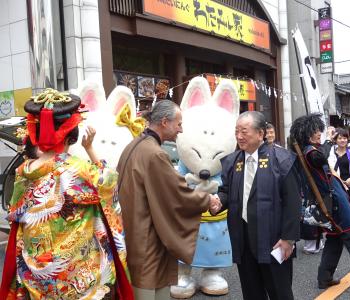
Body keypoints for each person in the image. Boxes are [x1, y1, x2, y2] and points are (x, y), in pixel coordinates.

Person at [0, 89, 133, 299]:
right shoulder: (79, 170)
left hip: (38, 274)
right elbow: (108, 185)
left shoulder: (23, 173)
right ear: (72, 135)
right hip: (78, 276)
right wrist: (90, 149)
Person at [117, 100, 219, 300]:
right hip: (148, 237)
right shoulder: (154, 153)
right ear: (164, 122)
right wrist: (208, 200)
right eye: (179, 124)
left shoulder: (134, 145)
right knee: (150, 292)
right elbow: (176, 194)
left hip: (132, 232)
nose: (181, 130)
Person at [211, 111, 301, 300]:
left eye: (244, 131)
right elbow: (226, 190)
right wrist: (219, 200)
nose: (239, 136)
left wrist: (288, 238)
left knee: (279, 292)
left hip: (274, 239)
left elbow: (293, 202)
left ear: (261, 134)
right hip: (243, 238)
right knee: (251, 292)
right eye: (236, 131)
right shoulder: (233, 161)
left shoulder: (281, 160)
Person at [289, 114, 350, 297]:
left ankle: (324, 277)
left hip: (328, 199)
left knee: (334, 238)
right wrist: (327, 141)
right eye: (316, 130)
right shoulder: (311, 152)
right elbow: (322, 157)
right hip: (333, 200)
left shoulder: (305, 151)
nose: (320, 133)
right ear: (308, 133)